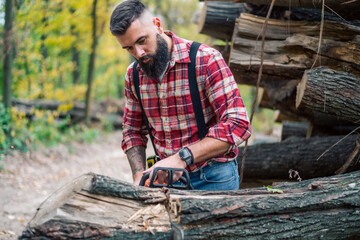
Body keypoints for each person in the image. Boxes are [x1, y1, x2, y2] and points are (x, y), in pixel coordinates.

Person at [110, 0, 251, 190]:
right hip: (164, 182)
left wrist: (181, 158)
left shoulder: (206, 60)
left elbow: (238, 124)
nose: (139, 53)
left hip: (213, 177)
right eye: (129, 48)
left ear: (158, 25)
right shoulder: (133, 75)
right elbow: (132, 132)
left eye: (142, 41)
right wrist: (138, 175)